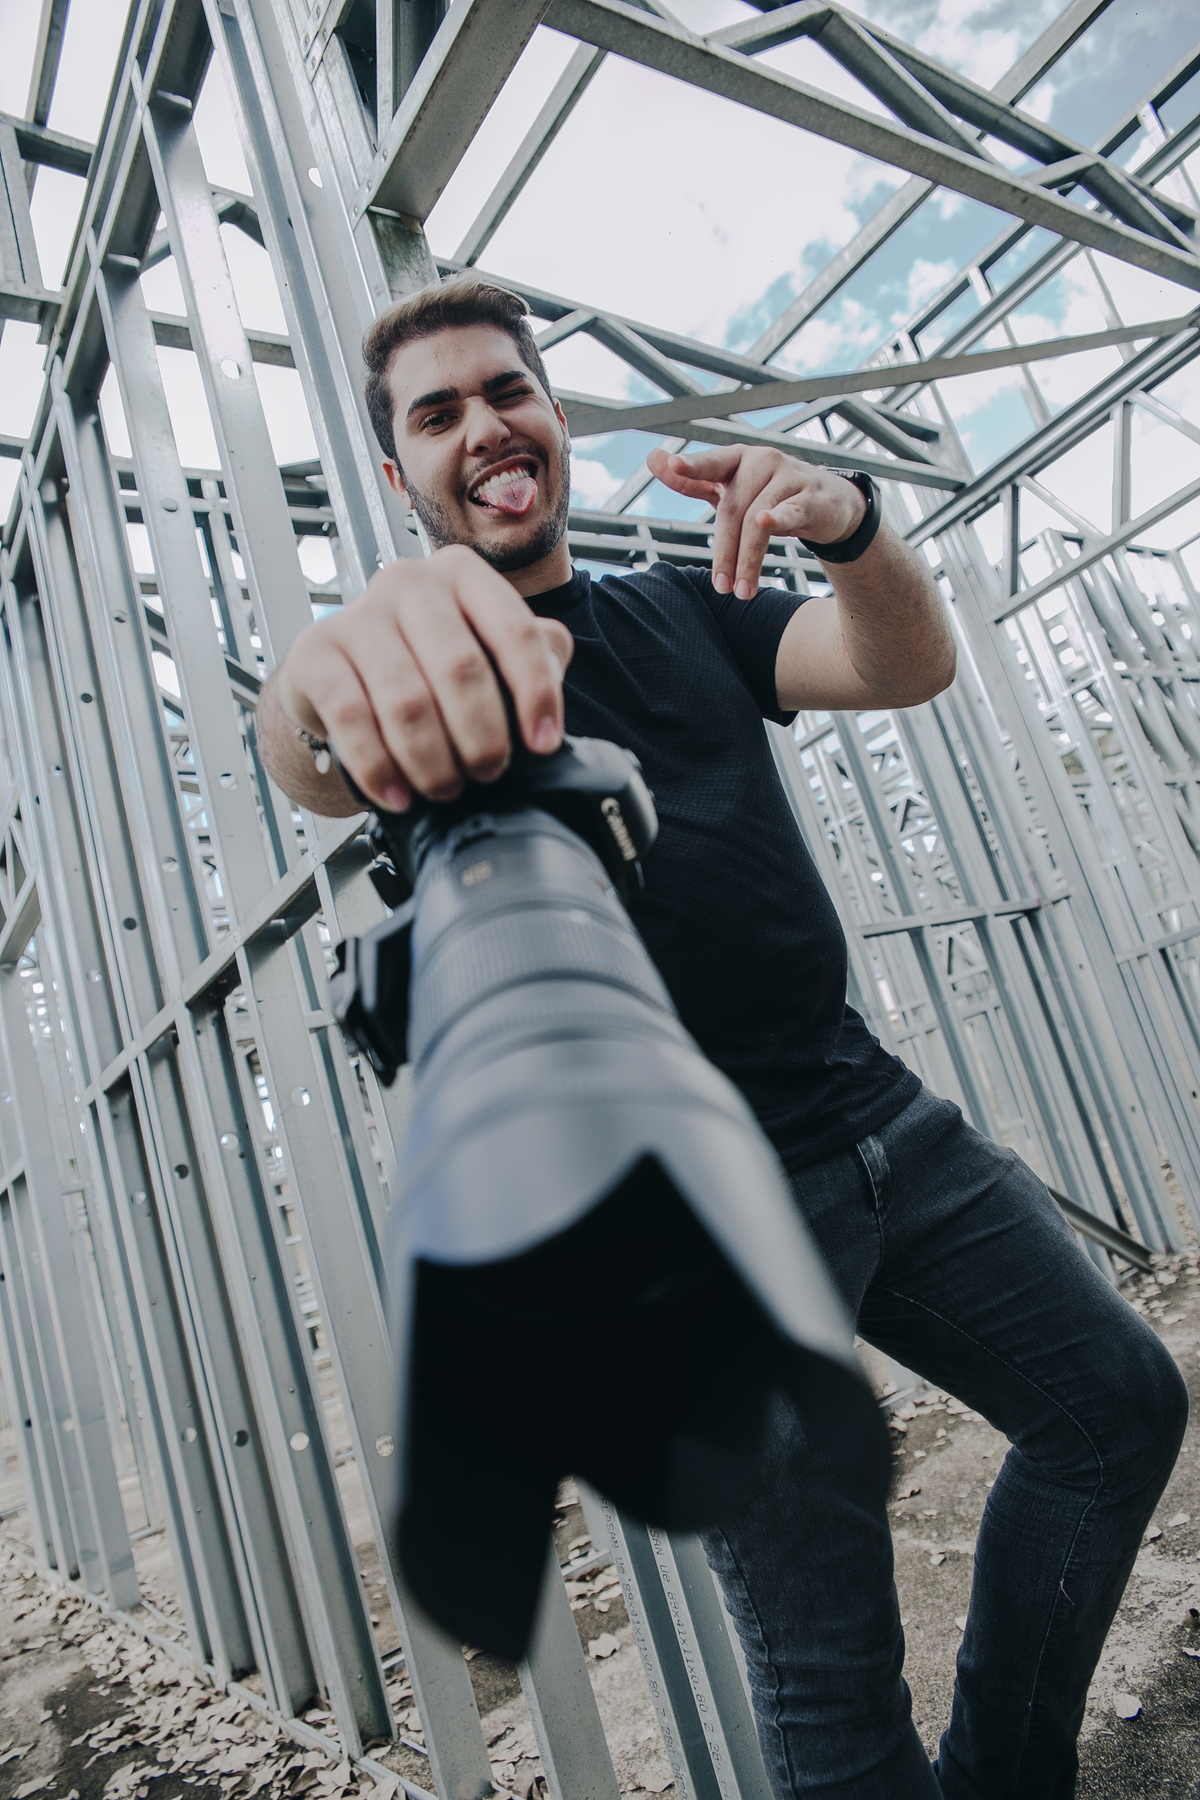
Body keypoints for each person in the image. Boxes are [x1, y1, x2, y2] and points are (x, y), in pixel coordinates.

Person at [258, 274, 1187, 1799]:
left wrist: (852, 524)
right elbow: (309, 734)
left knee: (1120, 1406)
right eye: (438, 415)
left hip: (881, 1126)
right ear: (395, 476)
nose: (486, 428)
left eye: (508, 391)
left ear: (553, 418)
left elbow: (903, 665)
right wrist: (319, 676)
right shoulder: (434, 682)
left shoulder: (673, 608)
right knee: (831, 1681)